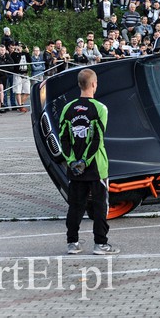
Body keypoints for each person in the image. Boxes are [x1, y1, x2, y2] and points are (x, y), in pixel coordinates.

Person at [59, 68, 118, 255]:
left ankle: (72, 243)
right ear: (93, 84)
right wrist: (84, 160)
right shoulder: (100, 108)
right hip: (96, 166)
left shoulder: (67, 108)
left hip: (74, 166)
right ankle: (100, 244)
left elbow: (63, 138)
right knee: (101, 204)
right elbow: (97, 139)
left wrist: (72, 161)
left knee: (75, 204)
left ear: (79, 85)